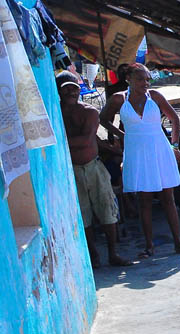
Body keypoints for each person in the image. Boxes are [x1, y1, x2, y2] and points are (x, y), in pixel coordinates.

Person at [99, 63, 180, 258]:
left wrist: (175, 147)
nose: (145, 83)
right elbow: (103, 119)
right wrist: (122, 134)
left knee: (168, 197)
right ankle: (149, 246)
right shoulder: (119, 99)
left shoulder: (155, 97)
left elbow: (174, 119)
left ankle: (178, 242)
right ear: (129, 80)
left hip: (160, 150)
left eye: (147, 79)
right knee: (144, 200)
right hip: (137, 153)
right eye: (140, 79)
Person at [57, 72, 129, 267]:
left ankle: (113, 253)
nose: (71, 91)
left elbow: (86, 141)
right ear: (59, 91)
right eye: (66, 88)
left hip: (93, 167)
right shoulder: (56, 113)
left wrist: (59, 142)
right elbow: (86, 141)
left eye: (74, 87)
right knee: (83, 214)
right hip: (73, 169)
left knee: (107, 210)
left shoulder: (89, 112)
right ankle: (93, 255)